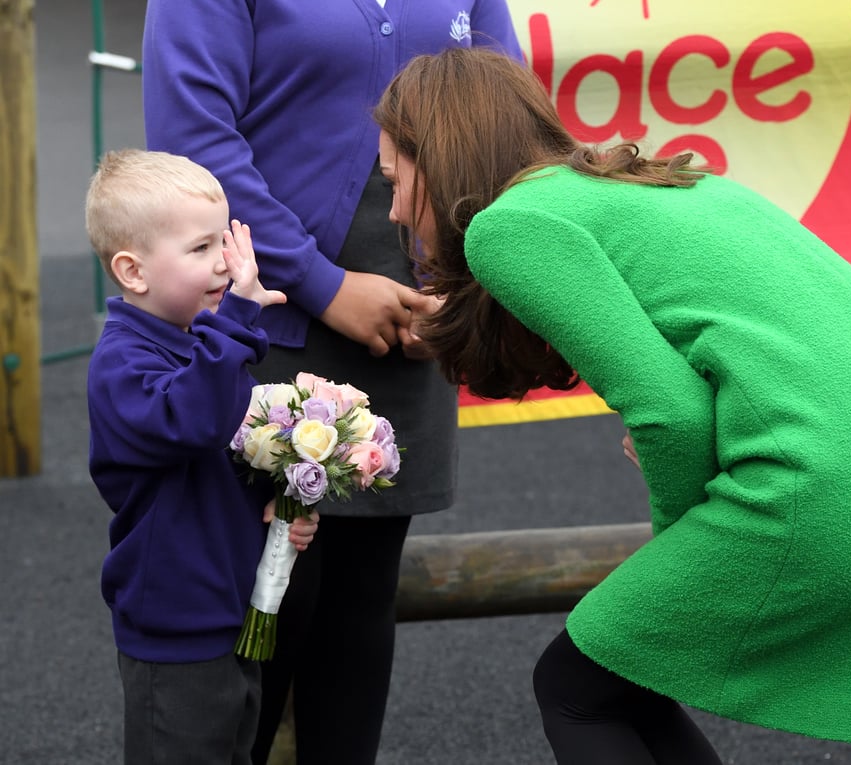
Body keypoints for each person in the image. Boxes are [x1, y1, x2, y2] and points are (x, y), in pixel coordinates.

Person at [373, 47, 851, 764]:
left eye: (397, 178)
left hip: (827, 482)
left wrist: (676, 554)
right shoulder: (666, 180)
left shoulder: (509, 226)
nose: (395, 208)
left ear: (439, 158)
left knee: (572, 682)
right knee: (620, 676)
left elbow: (672, 414)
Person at [139, 3, 522, 763]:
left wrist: (467, 281)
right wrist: (322, 283)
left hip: (412, 326)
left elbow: (502, 115)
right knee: (262, 612)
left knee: (359, 608)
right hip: (259, 322)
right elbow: (193, 139)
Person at [85, 149, 319, 765]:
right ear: (134, 273)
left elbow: (220, 455)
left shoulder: (196, 346)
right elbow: (194, 422)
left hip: (226, 608)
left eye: (225, 240)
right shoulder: (123, 364)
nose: (225, 263)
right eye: (200, 249)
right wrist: (237, 320)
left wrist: (276, 500)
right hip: (174, 621)